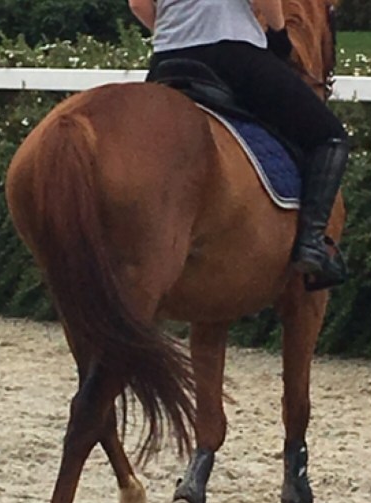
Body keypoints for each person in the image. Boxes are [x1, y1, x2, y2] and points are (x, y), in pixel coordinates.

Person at [128, 0, 350, 290]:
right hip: (231, 53)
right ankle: (312, 244)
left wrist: (175, 32)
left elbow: (138, 4)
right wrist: (279, 33)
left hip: (166, 61)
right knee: (329, 136)